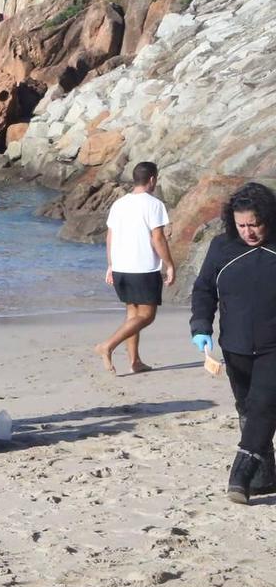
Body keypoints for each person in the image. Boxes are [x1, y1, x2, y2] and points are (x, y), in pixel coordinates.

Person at [189, 181, 276, 503]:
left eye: (255, 224)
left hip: (273, 347)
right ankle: (266, 478)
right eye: (242, 225)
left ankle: (239, 476)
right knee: (246, 409)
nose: (249, 232)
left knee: (263, 407)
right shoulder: (221, 248)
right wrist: (200, 326)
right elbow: (203, 291)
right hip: (235, 346)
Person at [95, 162, 176, 375]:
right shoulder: (154, 204)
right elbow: (157, 238)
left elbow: (110, 236)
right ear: (152, 179)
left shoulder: (119, 204)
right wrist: (169, 264)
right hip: (143, 268)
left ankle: (135, 361)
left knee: (133, 314)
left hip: (121, 267)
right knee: (147, 316)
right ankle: (108, 346)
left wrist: (111, 265)